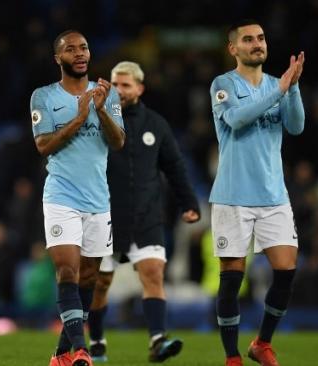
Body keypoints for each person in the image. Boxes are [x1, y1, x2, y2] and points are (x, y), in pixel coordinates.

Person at [86, 61, 201, 363]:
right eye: (115, 83)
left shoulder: (156, 125)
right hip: (106, 216)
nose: (120, 90)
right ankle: (96, 340)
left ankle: (157, 340)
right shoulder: (97, 121)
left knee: (153, 274)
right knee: (100, 284)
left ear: (140, 88)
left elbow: (174, 167)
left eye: (126, 85)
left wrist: (189, 203)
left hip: (147, 216)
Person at [209, 20, 304, 366]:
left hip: (274, 194)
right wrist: (279, 91)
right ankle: (232, 356)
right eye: (248, 40)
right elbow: (236, 120)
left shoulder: (275, 84)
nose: (257, 44)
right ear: (233, 48)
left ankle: (261, 343)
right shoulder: (224, 84)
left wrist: (291, 88)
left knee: (286, 268)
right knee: (232, 277)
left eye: (261, 38)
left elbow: (295, 126)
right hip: (233, 194)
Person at [30, 30, 125, 366]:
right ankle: (82, 350)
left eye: (84, 47)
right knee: (67, 272)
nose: (80, 53)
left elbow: (118, 142)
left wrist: (100, 111)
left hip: (98, 200)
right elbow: (43, 145)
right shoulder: (43, 96)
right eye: (70, 49)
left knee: (89, 277)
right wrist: (80, 118)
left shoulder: (106, 94)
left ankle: (60, 354)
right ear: (58, 58)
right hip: (61, 197)